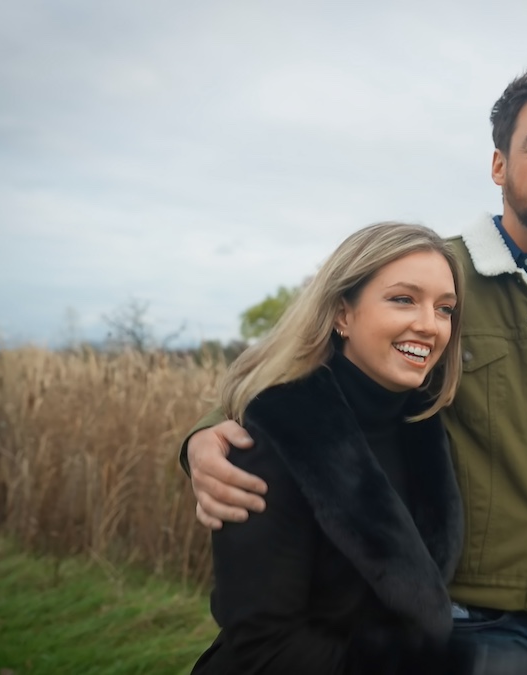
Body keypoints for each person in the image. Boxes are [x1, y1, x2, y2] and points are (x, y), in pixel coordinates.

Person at [184, 60, 527, 675]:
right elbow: (297, 359)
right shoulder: (434, 273)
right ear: (500, 165)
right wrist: (205, 435)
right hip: (469, 619)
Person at [190, 222, 478, 674]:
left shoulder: (422, 424)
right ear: (343, 313)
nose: (429, 325)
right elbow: (264, 647)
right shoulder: (273, 436)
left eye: (444, 309)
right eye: (403, 299)